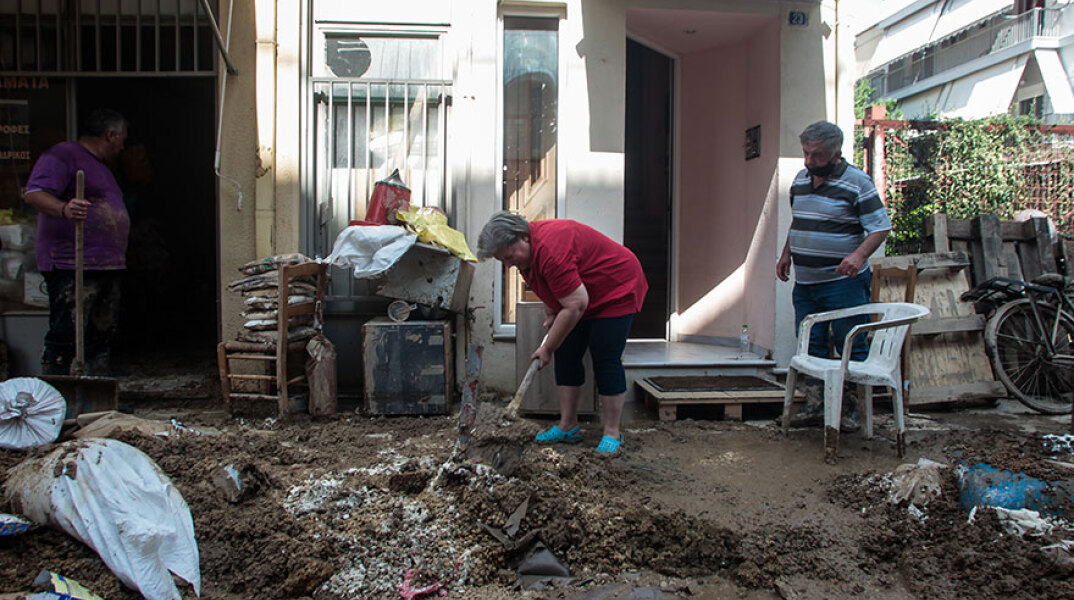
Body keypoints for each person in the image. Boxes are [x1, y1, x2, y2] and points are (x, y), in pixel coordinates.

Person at [478, 212, 647, 454]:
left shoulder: (551, 249)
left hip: (616, 287)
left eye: (508, 257)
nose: (507, 265)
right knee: (567, 352)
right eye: (502, 261)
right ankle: (568, 426)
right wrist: (551, 313)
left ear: (522, 236)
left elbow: (576, 304)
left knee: (605, 356)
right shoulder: (527, 255)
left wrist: (547, 348)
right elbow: (547, 285)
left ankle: (612, 432)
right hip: (583, 294)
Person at [776, 120, 892, 432]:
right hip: (806, 285)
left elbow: (880, 227)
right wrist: (787, 253)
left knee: (850, 343)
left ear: (835, 153)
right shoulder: (800, 180)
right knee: (810, 346)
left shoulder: (858, 183)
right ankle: (816, 407)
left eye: (817, 155)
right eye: (806, 153)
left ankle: (853, 413)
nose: (809, 161)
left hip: (843, 285)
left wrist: (858, 256)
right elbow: (800, 221)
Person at [24, 108, 130, 375]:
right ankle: (58, 390)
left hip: (104, 264)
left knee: (101, 333)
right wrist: (64, 209)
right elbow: (34, 193)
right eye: (122, 139)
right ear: (110, 135)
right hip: (72, 263)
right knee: (67, 333)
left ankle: (96, 389)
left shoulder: (100, 166)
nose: (122, 147)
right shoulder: (64, 155)